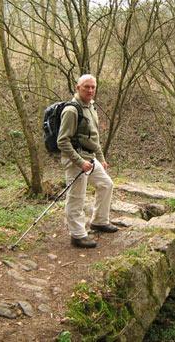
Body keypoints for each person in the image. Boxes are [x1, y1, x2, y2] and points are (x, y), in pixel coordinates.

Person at [57, 74, 118, 248]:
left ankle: (99, 221)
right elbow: (62, 141)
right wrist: (79, 162)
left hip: (90, 158)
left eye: (93, 87)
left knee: (106, 184)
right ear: (78, 87)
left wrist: (101, 159)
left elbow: (94, 137)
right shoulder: (71, 110)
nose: (90, 90)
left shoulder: (91, 106)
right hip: (75, 159)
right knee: (77, 197)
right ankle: (77, 235)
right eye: (86, 87)